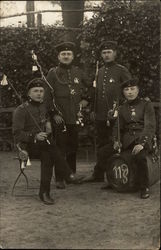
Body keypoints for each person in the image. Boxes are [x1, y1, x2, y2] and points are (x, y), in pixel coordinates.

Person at [12, 78, 82, 205]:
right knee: (50, 150)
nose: (39, 93)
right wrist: (34, 136)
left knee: (48, 155)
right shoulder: (21, 110)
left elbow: (50, 113)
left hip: (44, 145)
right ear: (29, 93)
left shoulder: (44, 106)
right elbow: (17, 134)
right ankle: (68, 174)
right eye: (35, 91)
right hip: (27, 145)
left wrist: (49, 122)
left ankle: (45, 193)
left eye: (41, 91)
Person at [90, 78, 156, 199]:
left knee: (140, 157)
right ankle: (113, 180)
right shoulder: (122, 108)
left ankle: (144, 187)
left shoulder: (146, 105)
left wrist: (142, 143)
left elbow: (150, 126)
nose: (130, 92)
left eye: (132, 89)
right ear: (123, 92)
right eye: (126, 89)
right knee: (103, 152)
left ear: (138, 90)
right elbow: (117, 127)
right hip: (126, 140)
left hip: (142, 139)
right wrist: (116, 141)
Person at [83, 40, 132, 182]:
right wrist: (93, 110)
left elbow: (130, 91)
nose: (106, 55)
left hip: (116, 115)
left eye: (109, 52)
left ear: (115, 54)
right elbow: (96, 93)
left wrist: (121, 110)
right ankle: (98, 174)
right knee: (101, 144)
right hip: (100, 115)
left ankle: (114, 176)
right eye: (104, 53)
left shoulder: (121, 70)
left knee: (114, 144)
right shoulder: (100, 71)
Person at [44, 41, 90, 189]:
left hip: (74, 117)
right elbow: (47, 95)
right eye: (63, 54)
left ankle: (71, 175)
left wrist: (85, 100)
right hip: (60, 118)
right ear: (58, 56)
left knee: (73, 147)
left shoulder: (79, 72)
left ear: (73, 56)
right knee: (60, 148)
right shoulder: (52, 73)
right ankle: (59, 178)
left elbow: (90, 88)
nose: (66, 56)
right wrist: (53, 113)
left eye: (68, 54)